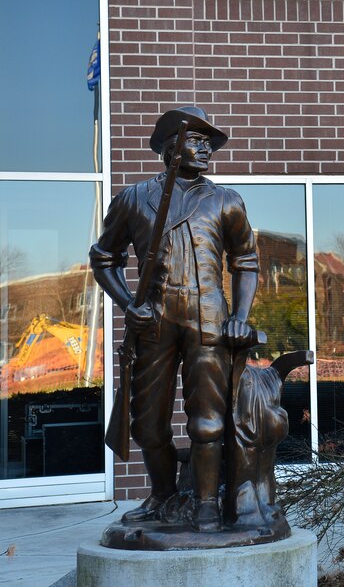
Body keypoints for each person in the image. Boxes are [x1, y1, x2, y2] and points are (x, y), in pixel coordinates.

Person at [90, 107, 259, 532]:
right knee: (147, 423)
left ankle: (205, 504)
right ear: (170, 146)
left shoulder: (226, 200)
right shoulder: (133, 198)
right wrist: (128, 302)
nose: (206, 150)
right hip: (154, 320)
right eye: (196, 140)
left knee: (207, 419)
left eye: (209, 143)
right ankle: (163, 495)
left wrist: (240, 316)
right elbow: (104, 257)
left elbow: (246, 261)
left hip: (208, 320)